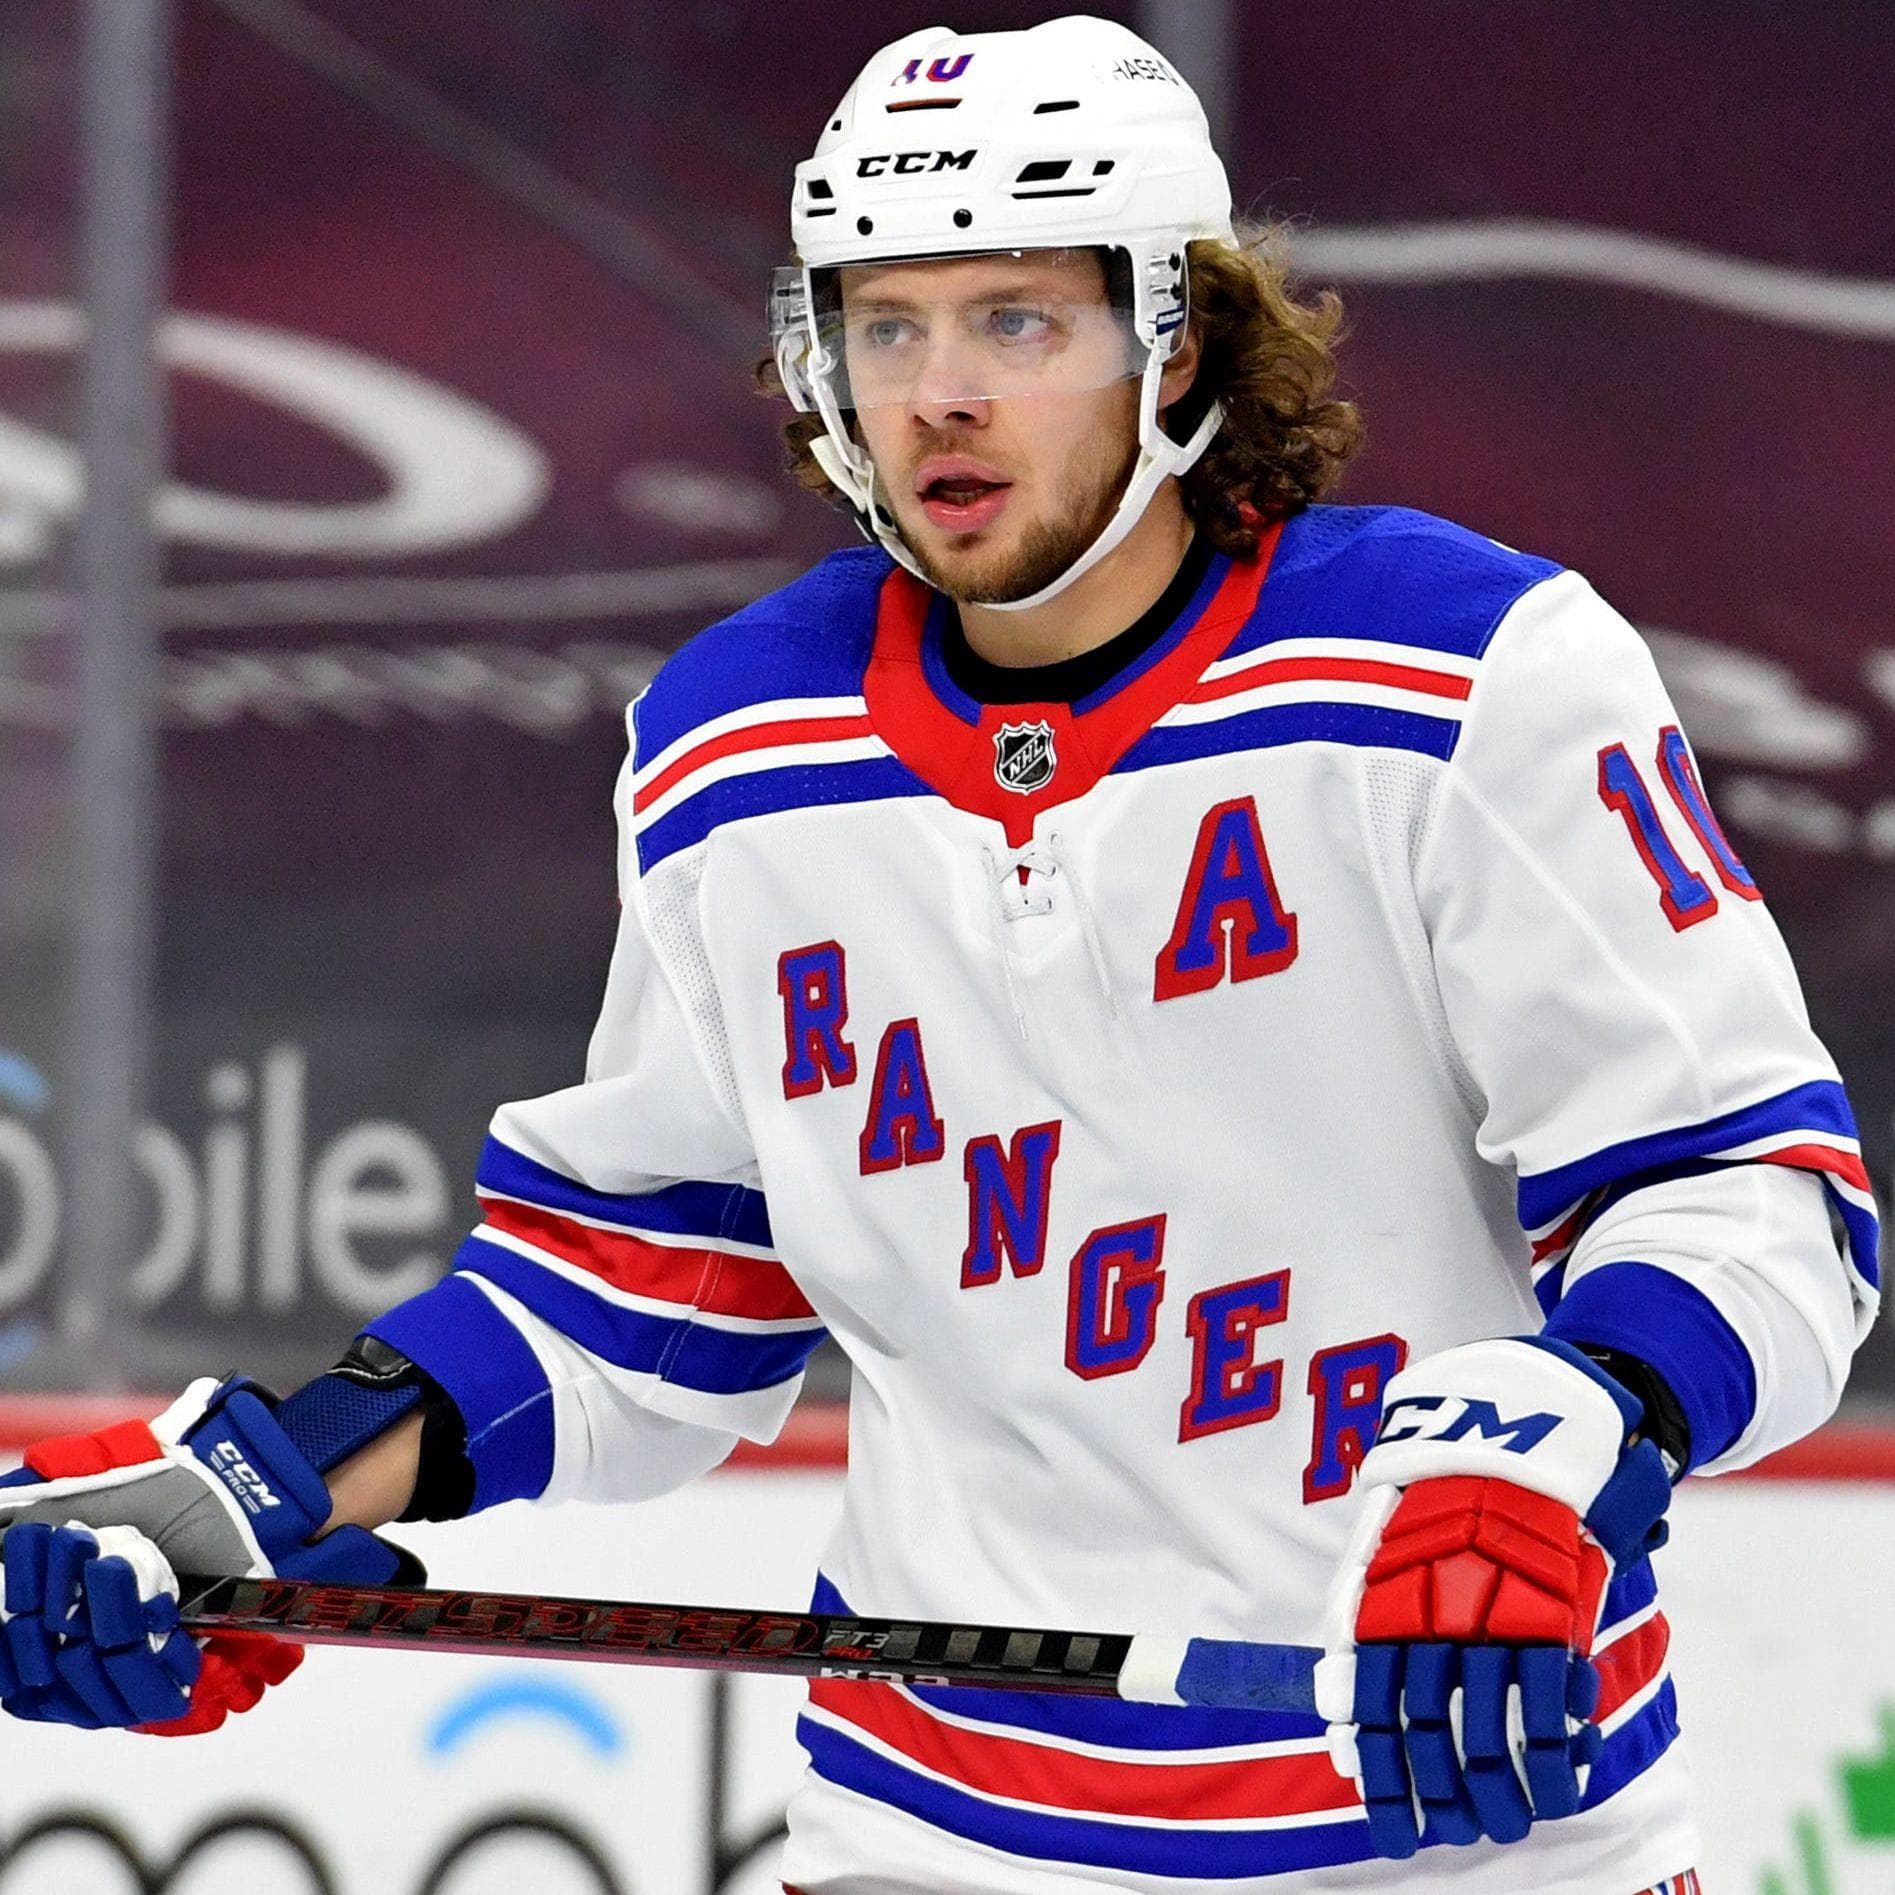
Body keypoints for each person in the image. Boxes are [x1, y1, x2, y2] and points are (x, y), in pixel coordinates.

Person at [0, 17, 1876, 1893]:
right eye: (885, 326)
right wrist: (266, 1482)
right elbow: (643, 1295)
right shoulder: (738, 750)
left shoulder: (1463, 680)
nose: (939, 394)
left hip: (1461, 1829)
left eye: (1016, 321)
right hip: (939, 1839)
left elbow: (1757, 1199)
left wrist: (1572, 1426)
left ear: (1182, 340)